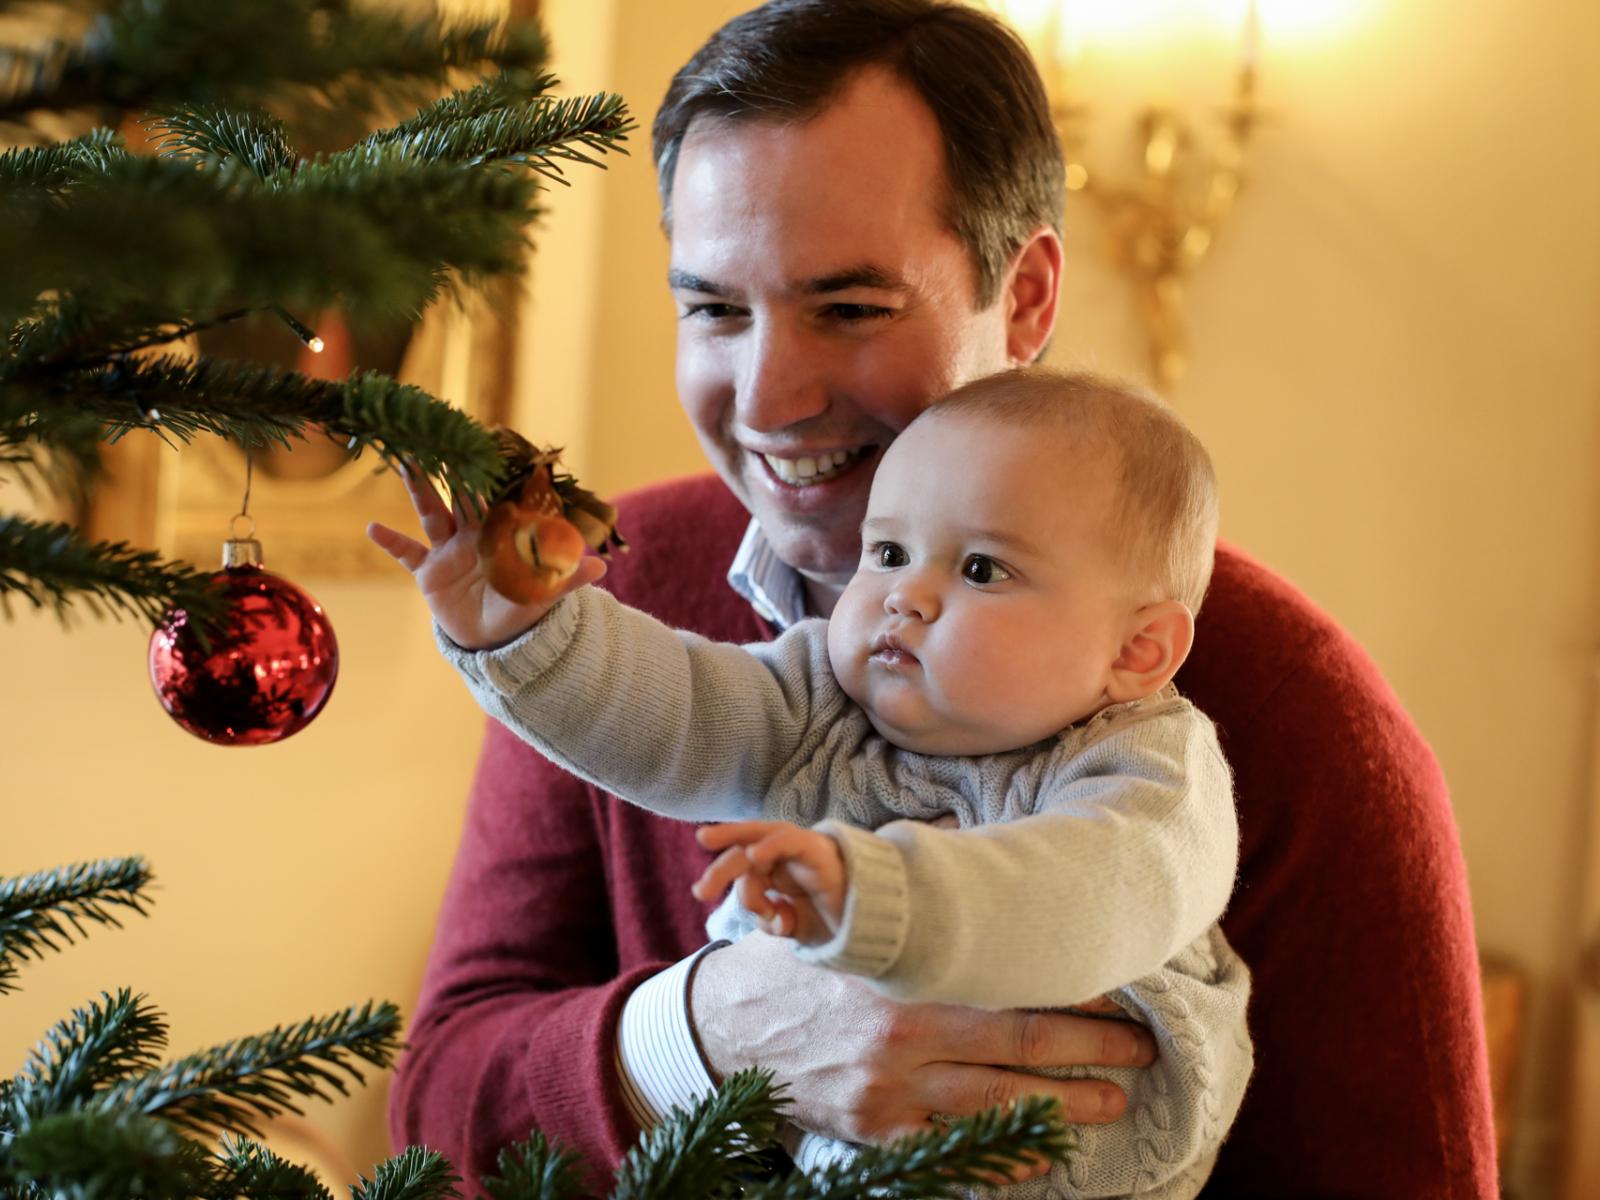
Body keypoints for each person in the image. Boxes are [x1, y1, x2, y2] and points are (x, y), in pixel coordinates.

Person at [380, 2, 1497, 1195]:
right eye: (712, 307)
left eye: (850, 309)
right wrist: (706, 1039)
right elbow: (441, 1105)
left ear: (1022, 296)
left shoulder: (1293, 713)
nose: (766, 397)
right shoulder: (607, 591)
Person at [379, 370, 1253, 1195]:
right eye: (887, 549)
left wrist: (883, 896)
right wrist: (530, 636)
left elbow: (1095, 889)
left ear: (1137, 651)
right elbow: (678, 712)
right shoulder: (826, 700)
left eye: (982, 569)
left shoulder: (1148, 769)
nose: (904, 597)